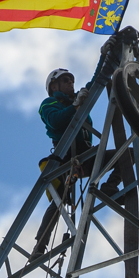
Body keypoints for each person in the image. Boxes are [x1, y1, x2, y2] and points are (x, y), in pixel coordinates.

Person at [32, 68, 96, 257]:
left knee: (127, 155)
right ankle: (40, 246)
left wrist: (108, 56)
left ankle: (112, 187)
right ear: (54, 86)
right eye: (66, 80)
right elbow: (56, 121)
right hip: (66, 158)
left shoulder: (80, 101)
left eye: (72, 80)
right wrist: (75, 106)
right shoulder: (49, 103)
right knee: (61, 199)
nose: (71, 83)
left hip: (86, 156)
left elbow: (97, 81)